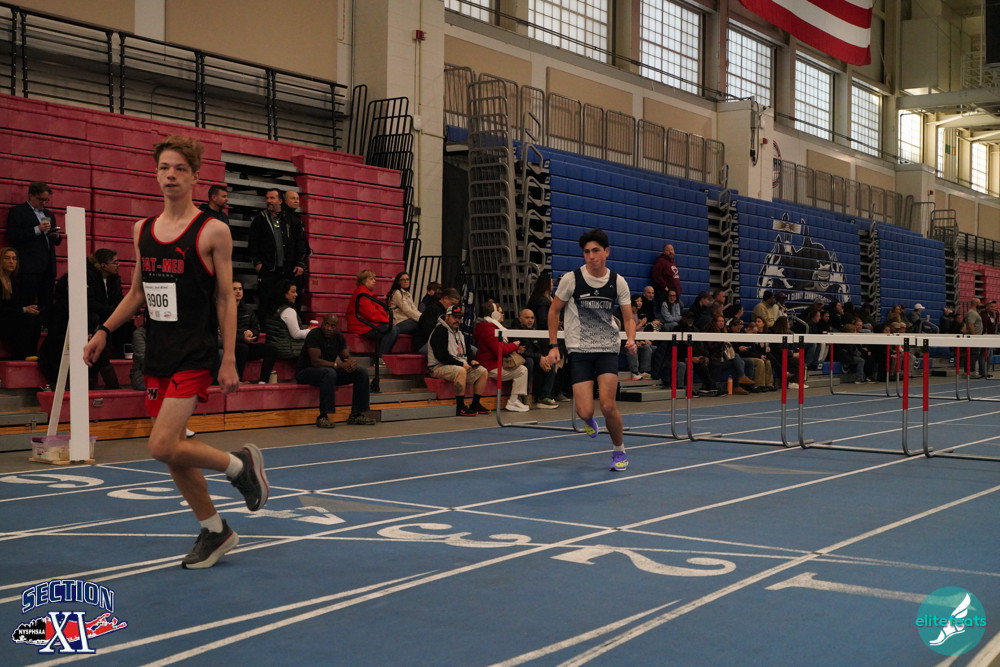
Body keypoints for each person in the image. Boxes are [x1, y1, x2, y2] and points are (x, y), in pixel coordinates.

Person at [83, 134, 268, 569]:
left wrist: (228, 357)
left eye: (180, 169)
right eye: (164, 168)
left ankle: (239, 466)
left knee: (161, 444)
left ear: (195, 176)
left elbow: (225, 298)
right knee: (173, 452)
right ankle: (215, 530)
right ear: (156, 173)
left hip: (194, 351)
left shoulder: (212, 230)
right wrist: (104, 331)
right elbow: (137, 293)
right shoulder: (142, 230)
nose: (171, 175)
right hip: (158, 353)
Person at [543, 228, 635, 472]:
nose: (591, 256)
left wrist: (631, 338)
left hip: (607, 348)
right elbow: (554, 311)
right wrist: (553, 345)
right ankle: (588, 420)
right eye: (586, 252)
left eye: (596, 250)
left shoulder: (618, 281)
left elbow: (628, 317)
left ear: (606, 252)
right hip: (579, 350)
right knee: (584, 411)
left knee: (608, 405)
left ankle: (619, 451)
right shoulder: (571, 279)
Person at [296, 313, 377, 428]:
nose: (329, 328)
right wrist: (338, 365)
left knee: (361, 372)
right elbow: (315, 362)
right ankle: (323, 416)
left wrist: (351, 363)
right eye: (326, 324)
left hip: (328, 373)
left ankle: (356, 414)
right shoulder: (314, 334)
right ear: (322, 323)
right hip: (306, 372)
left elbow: (345, 356)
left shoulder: (339, 337)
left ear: (336, 327)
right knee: (329, 372)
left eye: (332, 326)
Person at [247, 188, 309, 315]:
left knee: (289, 305)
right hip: (268, 271)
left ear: (280, 201)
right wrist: (258, 263)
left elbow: (301, 243)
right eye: (267, 198)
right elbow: (253, 243)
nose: (268, 201)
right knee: (267, 305)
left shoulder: (293, 220)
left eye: (272, 198)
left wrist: (300, 263)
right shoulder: (260, 219)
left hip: (289, 271)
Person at [5, 181, 61, 311]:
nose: (44, 203)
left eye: (46, 200)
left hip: (48, 266)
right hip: (29, 266)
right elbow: (13, 235)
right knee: (28, 302)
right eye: (41, 199)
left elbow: (56, 242)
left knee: (47, 305)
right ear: (31, 195)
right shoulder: (18, 211)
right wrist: (37, 229)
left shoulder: (49, 214)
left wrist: (56, 235)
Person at [428, 304, 489, 416]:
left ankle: (475, 403)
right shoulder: (439, 331)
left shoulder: (460, 332)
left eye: (459, 318)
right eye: (454, 317)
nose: (457, 320)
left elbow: (468, 351)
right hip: (438, 367)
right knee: (461, 371)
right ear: (447, 317)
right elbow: (441, 356)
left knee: (482, 371)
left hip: (458, 365)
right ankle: (460, 407)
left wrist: (471, 361)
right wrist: (461, 364)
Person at [473, 300, 530, 412]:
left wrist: (515, 348)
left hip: (494, 363)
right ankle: (513, 401)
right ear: (494, 314)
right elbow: (498, 350)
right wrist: (514, 345)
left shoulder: (491, 327)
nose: (503, 314)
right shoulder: (489, 329)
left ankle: (514, 401)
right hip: (490, 366)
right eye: (500, 312)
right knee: (522, 370)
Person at [345, 269, 398, 361]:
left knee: (394, 329)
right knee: (392, 330)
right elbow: (370, 313)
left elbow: (378, 311)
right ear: (363, 280)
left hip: (368, 324)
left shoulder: (367, 293)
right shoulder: (361, 294)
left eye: (374, 279)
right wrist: (388, 321)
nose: (374, 281)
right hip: (361, 326)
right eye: (371, 279)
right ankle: (380, 359)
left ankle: (381, 357)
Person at [87, 248, 131, 354]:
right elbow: (90, 303)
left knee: (127, 322)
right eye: (115, 262)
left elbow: (119, 299)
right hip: (94, 313)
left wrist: (129, 311)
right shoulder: (89, 276)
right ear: (104, 266)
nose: (118, 265)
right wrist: (115, 312)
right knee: (95, 318)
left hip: (107, 312)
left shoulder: (114, 279)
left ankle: (122, 353)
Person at [0, 247, 41, 359]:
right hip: (2, 319)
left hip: (9, 317)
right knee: (25, 320)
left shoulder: (13, 281)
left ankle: (31, 355)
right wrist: (23, 310)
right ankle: (22, 356)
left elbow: (15, 306)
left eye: (14, 259)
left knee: (36, 319)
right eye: (7, 258)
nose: (11, 262)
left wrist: (27, 308)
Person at [233, 280, 277, 383]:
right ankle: (238, 380)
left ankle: (263, 382)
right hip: (231, 346)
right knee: (242, 348)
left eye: (240, 289)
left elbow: (256, 329)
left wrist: (252, 334)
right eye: (234, 289)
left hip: (246, 344)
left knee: (271, 349)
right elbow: (221, 333)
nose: (238, 291)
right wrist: (242, 338)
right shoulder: (223, 309)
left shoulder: (248, 310)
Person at [516, 307, 559, 408]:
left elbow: (538, 350)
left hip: (534, 358)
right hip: (522, 360)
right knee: (529, 362)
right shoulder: (515, 331)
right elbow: (521, 352)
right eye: (527, 318)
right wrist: (539, 357)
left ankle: (544, 397)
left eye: (532, 318)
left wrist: (544, 358)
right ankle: (526, 394)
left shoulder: (535, 331)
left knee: (549, 363)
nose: (530, 320)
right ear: (520, 318)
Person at [264, 279, 312, 360]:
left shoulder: (272, 308)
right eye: (293, 292)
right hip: (286, 350)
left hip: (272, 347)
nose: (296, 294)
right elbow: (296, 334)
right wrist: (310, 331)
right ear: (284, 293)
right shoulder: (288, 311)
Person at [415, 287, 459, 352]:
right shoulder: (432, 310)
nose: (453, 307)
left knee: (470, 350)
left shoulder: (447, 312)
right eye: (452, 304)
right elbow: (430, 332)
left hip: (441, 342)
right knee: (455, 350)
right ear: (445, 298)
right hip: (425, 343)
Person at [386, 271, 421, 335]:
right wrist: (422, 319)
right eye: (403, 280)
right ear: (398, 282)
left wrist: (423, 317)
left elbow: (414, 309)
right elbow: (407, 310)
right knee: (420, 324)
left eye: (407, 279)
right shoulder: (397, 293)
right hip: (398, 322)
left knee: (423, 325)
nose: (406, 281)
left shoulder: (408, 294)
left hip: (406, 320)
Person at [650, 242, 680, 309]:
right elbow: (656, 275)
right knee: (665, 309)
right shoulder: (661, 261)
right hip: (665, 293)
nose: (671, 252)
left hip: (675, 293)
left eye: (672, 249)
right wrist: (664, 286)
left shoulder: (672, 262)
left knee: (678, 307)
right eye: (668, 250)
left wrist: (679, 289)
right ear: (664, 252)